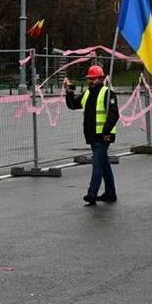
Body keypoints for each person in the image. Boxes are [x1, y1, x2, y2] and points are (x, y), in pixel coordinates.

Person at [64, 65, 119, 206]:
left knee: (97, 164)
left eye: (94, 79)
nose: (91, 81)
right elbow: (73, 104)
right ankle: (110, 193)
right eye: (90, 79)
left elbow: (114, 114)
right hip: (92, 135)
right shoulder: (88, 93)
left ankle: (92, 193)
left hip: (103, 136)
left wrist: (106, 131)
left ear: (101, 78)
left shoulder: (108, 93)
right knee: (104, 164)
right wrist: (69, 91)